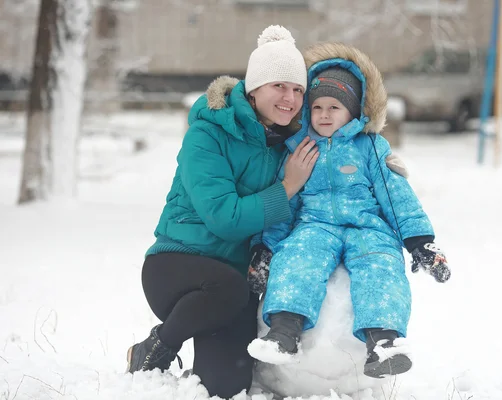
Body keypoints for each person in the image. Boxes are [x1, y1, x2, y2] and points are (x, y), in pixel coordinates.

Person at [125, 25, 320, 398]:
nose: (290, 97)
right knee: (230, 287)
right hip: (176, 266)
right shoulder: (207, 134)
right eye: (279, 85)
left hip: (232, 284)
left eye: (298, 89)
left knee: (226, 386)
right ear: (254, 87)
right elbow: (225, 218)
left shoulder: (286, 146)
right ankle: (157, 346)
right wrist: (287, 187)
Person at [246, 42, 451, 379]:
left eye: (334, 107)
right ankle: (283, 334)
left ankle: (384, 343)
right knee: (297, 259)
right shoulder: (299, 146)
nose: (324, 115)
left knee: (381, 267)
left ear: (353, 112)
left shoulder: (370, 146)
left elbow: (396, 195)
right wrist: (266, 248)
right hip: (314, 225)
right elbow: (288, 199)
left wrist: (419, 242)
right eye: (317, 107)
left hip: (368, 227)